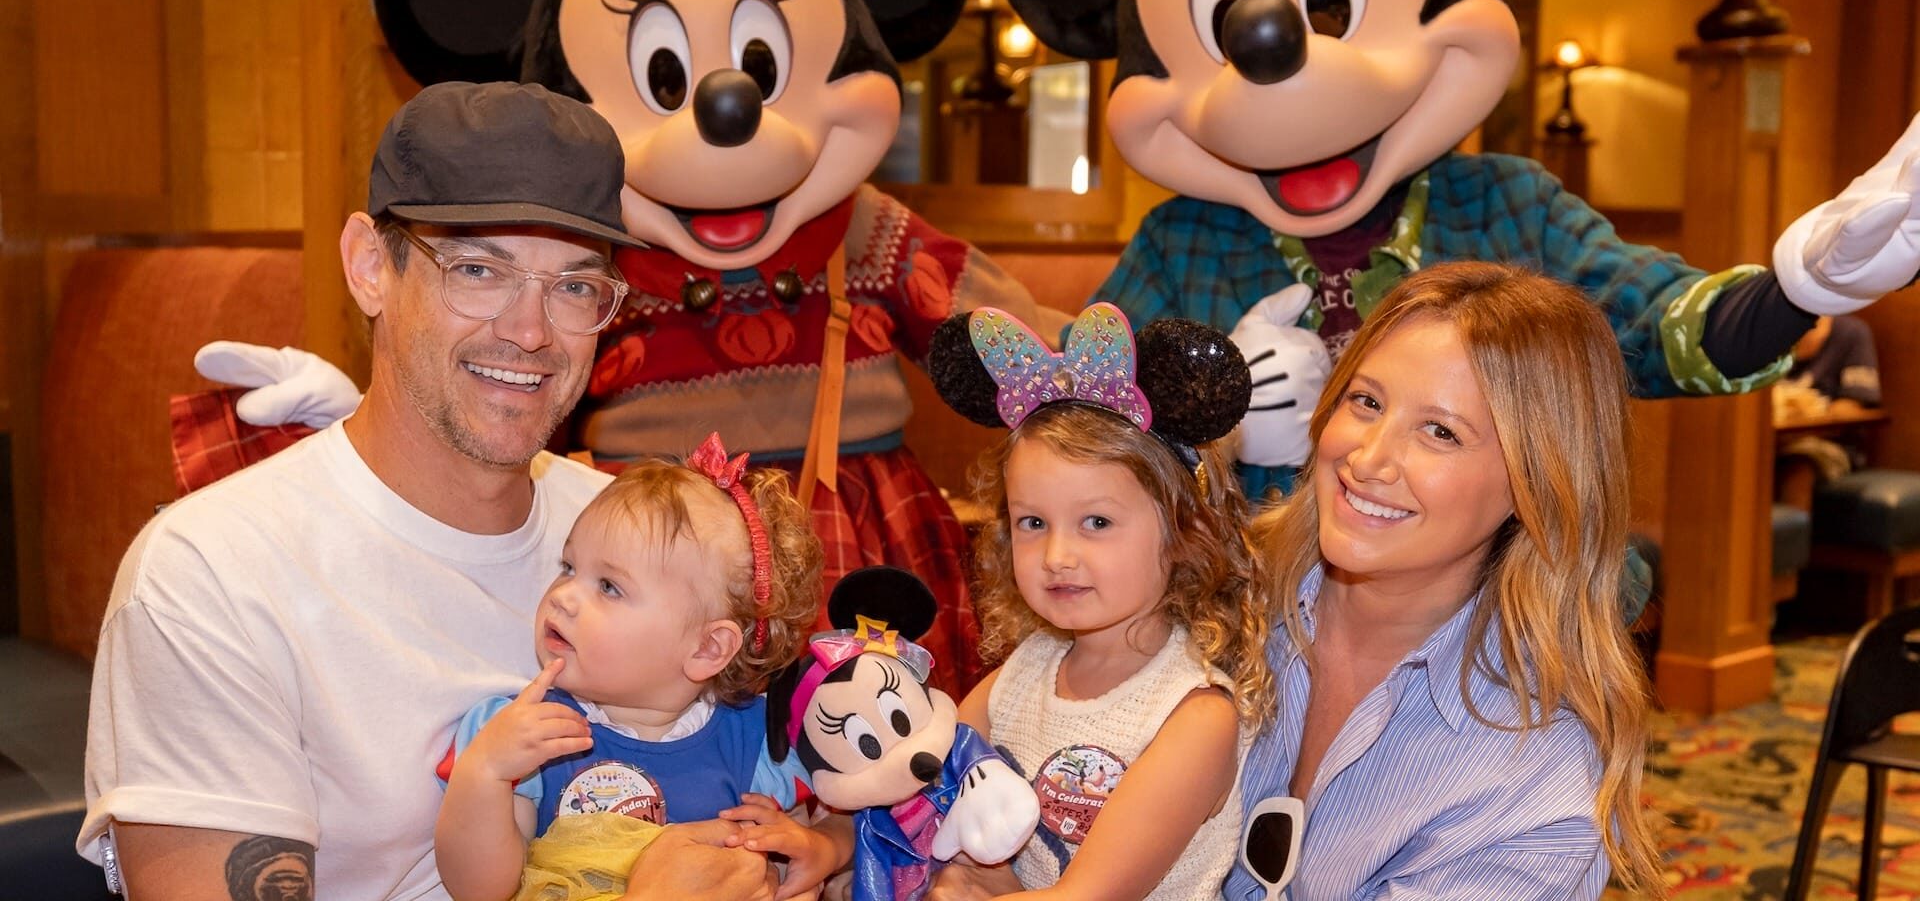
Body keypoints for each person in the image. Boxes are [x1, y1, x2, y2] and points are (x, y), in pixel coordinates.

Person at [80, 81, 781, 900]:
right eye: (479, 269)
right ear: (371, 267)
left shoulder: (629, 541)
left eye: (575, 287)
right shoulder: (211, 576)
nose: (529, 332)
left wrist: (826, 847)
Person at [1223, 262, 1664, 900]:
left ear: (1535, 488)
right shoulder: (1211, 596)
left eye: (1440, 432)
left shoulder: (1534, 778)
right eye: (1365, 401)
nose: (1367, 460)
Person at [925, 303, 1276, 900]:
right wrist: (832, 838)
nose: (1058, 554)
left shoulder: (1194, 717)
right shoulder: (1025, 671)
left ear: (1184, 534)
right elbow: (920, 780)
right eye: (1033, 521)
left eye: (1096, 521)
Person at [435, 433, 847, 900]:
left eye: (609, 587)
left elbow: (862, 801)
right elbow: (480, 889)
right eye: (569, 567)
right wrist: (485, 772)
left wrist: (824, 847)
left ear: (708, 649)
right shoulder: (527, 731)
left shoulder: (756, 742)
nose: (563, 596)